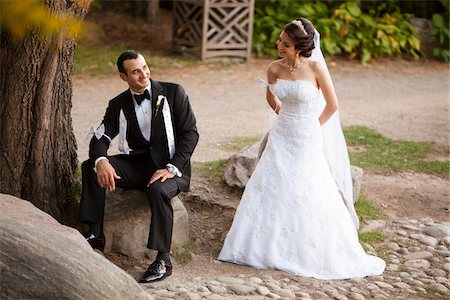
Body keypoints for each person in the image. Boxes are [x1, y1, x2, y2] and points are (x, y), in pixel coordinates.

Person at [218, 18, 385, 279]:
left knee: (307, 186)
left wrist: (313, 126)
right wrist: (279, 111)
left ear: (299, 47)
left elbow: (332, 105)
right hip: (282, 133)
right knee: (271, 182)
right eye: (280, 41)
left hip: (307, 135)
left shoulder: (316, 68)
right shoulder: (274, 68)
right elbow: (270, 94)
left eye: (285, 44)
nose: (279, 46)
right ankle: (260, 247)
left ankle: (307, 246)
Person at [79, 50, 199, 283]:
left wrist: (172, 167)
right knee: (90, 167)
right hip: (140, 164)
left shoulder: (173, 92)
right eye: (135, 71)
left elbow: (190, 134)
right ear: (123, 77)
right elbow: (101, 136)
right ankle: (95, 235)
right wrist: (101, 160)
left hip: (173, 166)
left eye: (145, 67)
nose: (144, 74)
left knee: (157, 189)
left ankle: (163, 260)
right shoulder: (118, 103)